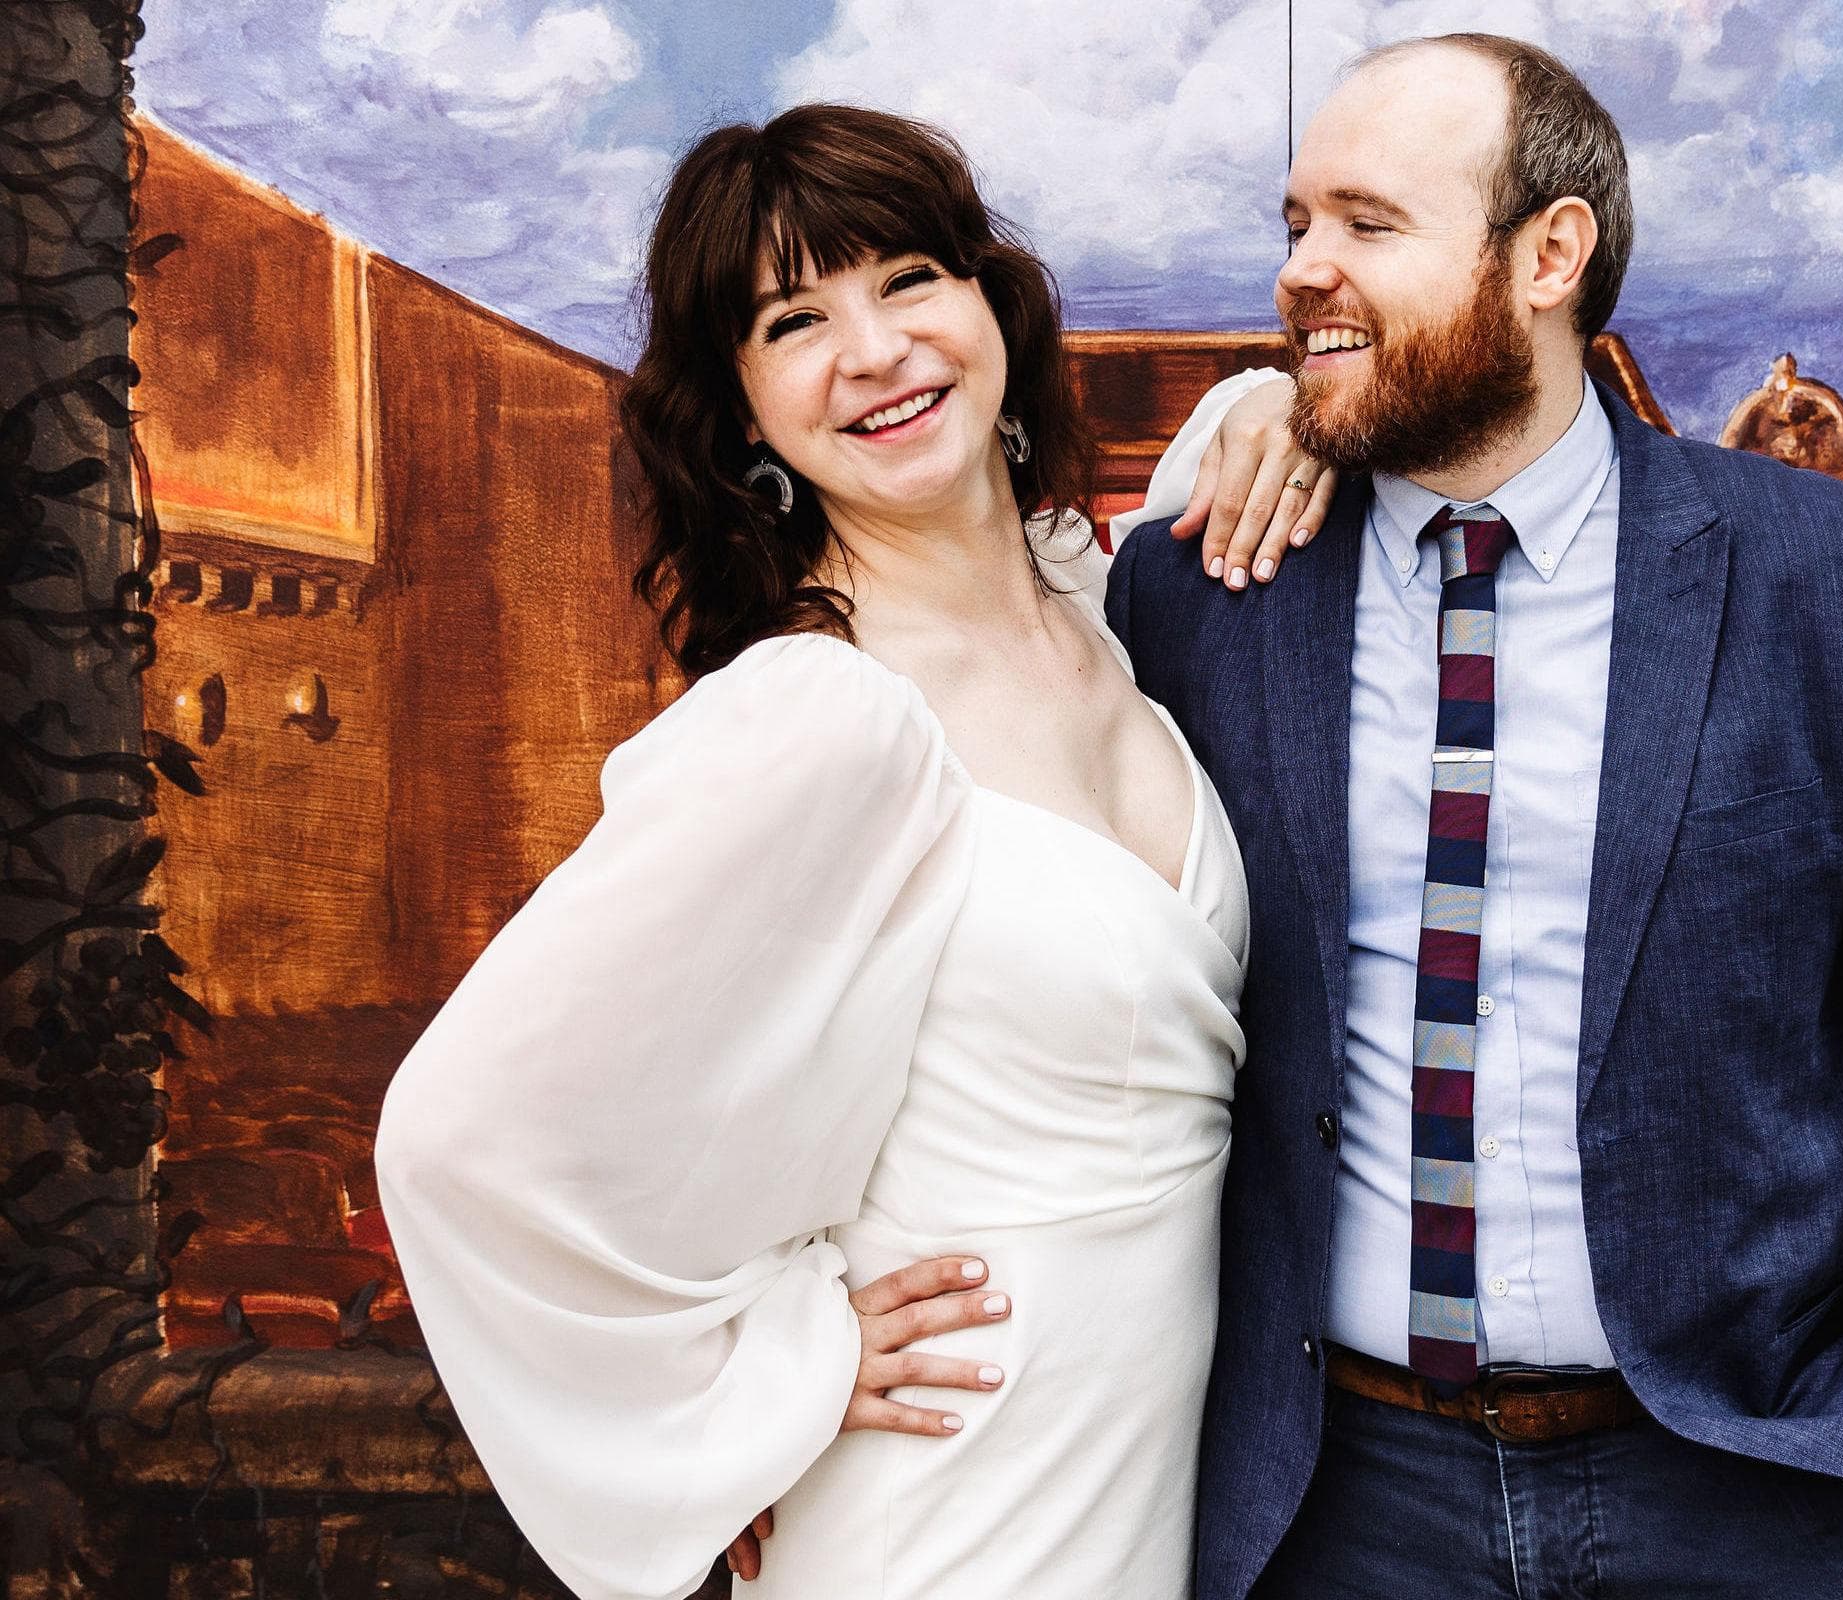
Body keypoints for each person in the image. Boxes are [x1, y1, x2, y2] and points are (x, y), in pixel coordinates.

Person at [1101, 31, 1843, 1600]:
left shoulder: (1842, 586)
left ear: (1550, 252)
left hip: (1743, 1495)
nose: (1302, 273)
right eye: (1294, 227)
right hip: (1335, 1507)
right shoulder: (1204, 591)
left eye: (1367, 224)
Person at [371, 103, 1330, 1600]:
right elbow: (457, 1143)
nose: (874, 350)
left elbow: (1236, 469)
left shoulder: (1094, 603)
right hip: (945, 1506)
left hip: (1145, 1491)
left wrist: (1284, 401)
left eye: (905, 280)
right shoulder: (824, 720)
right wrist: (762, 1378)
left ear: (987, 304)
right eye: (793, 319)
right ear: (747, 410)